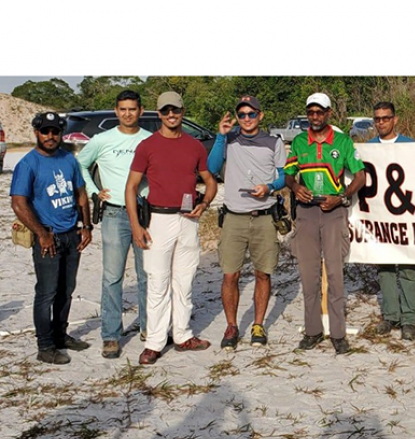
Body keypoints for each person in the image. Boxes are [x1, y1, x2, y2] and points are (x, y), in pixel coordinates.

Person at [125, 91, 218, 365]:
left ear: (182, 111)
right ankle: (154, 342)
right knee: (157, 282)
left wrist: (206, 203)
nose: (171, 115)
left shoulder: (195, 146)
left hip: (188, 220)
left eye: (175, 110)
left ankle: (182, 335)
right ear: (159, 113)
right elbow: (131, 187)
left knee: (185, 280)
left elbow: (209, 180)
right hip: (157, 220)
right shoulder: (147, 145)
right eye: (165, 111)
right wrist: (135, 225)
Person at [285, 92, 366, 355]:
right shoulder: (298, 142)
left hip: (333, 212)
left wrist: (341, 197)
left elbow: (361, 176)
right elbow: (288, 175)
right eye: (311, 112)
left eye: (320, 112)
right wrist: (296, 187)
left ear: (329, 113)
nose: (315, 117)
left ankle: (339, 334)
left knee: (335, 274)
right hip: (306, 213)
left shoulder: (342, 141)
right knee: (309, 276)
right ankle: (313, 331)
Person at [10, 112, 92, 364]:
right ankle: (45, 346)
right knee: (46, 292)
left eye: (55, 131)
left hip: (71, 234)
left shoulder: (68, 159)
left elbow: (80, 193)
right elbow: (18, 204)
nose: (50, 136)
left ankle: (60, 335)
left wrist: (86, 225)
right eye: (45, 131)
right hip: (48, 237)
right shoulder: (28, 164)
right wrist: (42, 234)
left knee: (67, 290)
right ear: (36, 132)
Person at [207, 95, 286, 351]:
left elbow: (284, 176)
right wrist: (220, 135)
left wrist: (270, 187)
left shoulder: (273, 142)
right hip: (233, 218)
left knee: (263, 273)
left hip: (264, 217)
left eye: (252, 114)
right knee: (231, 274)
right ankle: (231, 326)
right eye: (242, 115)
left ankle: (258, 324)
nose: (247, 119)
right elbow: (211, 167)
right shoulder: (229, 140)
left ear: (261, 116)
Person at [77, 90, 150, 359]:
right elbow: (80, 165)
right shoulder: (102, 140)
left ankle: (147, 327)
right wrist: (95, 191)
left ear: (141, 111)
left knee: (147, 275)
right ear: (116, 111)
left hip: (145, 214)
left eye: (133, 109)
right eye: (123, 109)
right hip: (114, 215)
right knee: (112, 277)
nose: (128, 113)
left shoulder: (149, 140)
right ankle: (110, 335)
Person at [367, 101, 415, 341]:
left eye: (385, 118)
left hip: (406, 217)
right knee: (385, 268)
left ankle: (408, 319)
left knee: (408, 268)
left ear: (395, 119)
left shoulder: (410, 146)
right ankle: (390, 316)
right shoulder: (368, 148)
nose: (381, 123)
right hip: (380, 219)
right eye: (377, 119)